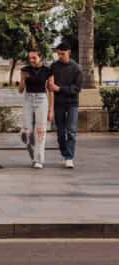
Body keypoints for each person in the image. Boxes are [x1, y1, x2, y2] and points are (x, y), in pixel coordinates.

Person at [47, 41, 83, 169]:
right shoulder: (53, 66)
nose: (60, 56)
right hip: (58, 104)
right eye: (58, 54)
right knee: (60, 133)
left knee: (71, 131)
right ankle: (65, 152)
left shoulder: (76, 68)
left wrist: (59, 89)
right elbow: (50, 85)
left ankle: (69, 157)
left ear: (69, 52)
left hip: (72, 103)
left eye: (62, 54)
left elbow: (77, 88)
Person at [18, 48, 53, 169]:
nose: (31, 60)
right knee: (27, 132)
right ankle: (33, 155)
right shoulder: (25, 70)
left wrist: (51, 109)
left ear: (40, 58)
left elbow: (51, 90)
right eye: (30, 58)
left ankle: (38, 159)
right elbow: (20, 90)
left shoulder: (47, 70)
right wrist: (23, 79)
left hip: (41, 99)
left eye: (34, 58)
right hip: (28, 99)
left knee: (41, 130)